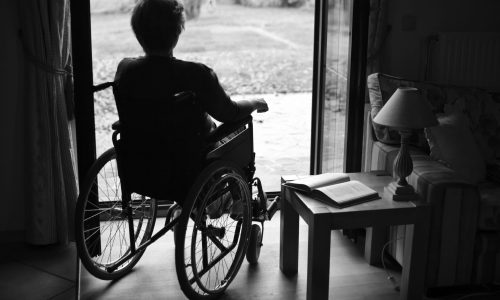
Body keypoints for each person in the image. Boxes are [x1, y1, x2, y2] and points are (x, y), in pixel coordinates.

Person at [113, 0, 267, 202]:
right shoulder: (196, 75)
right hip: (186, 173)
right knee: (240, 127)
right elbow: (229, 112)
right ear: (178, 30)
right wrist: (254, 102)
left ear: (138, 32)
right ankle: (236, 202)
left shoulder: (125, 70)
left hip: (140, 169)